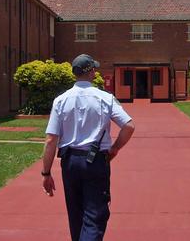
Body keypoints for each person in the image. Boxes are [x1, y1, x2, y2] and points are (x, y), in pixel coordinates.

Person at [41, 54, 135, 241]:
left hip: (70, 162)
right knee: (95, 216)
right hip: (96, 162)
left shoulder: (61, 100)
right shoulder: (104, 98)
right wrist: (115, 148)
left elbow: (51, 139)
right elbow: (129, 126)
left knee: (76, 215)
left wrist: (46, 173)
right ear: (91, 71)